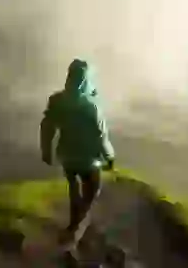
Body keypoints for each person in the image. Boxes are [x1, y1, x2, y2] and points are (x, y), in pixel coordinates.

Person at [40, 58, 116, 245]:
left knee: (74, 187)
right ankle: (74, 228)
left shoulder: (57, 100)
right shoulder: (91, 106)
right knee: (92, 190)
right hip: (89, 160)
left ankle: (74, 222)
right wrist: (110, 157)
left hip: (67, 155)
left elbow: (47, 127)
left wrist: (46, 151)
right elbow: (101, 136)